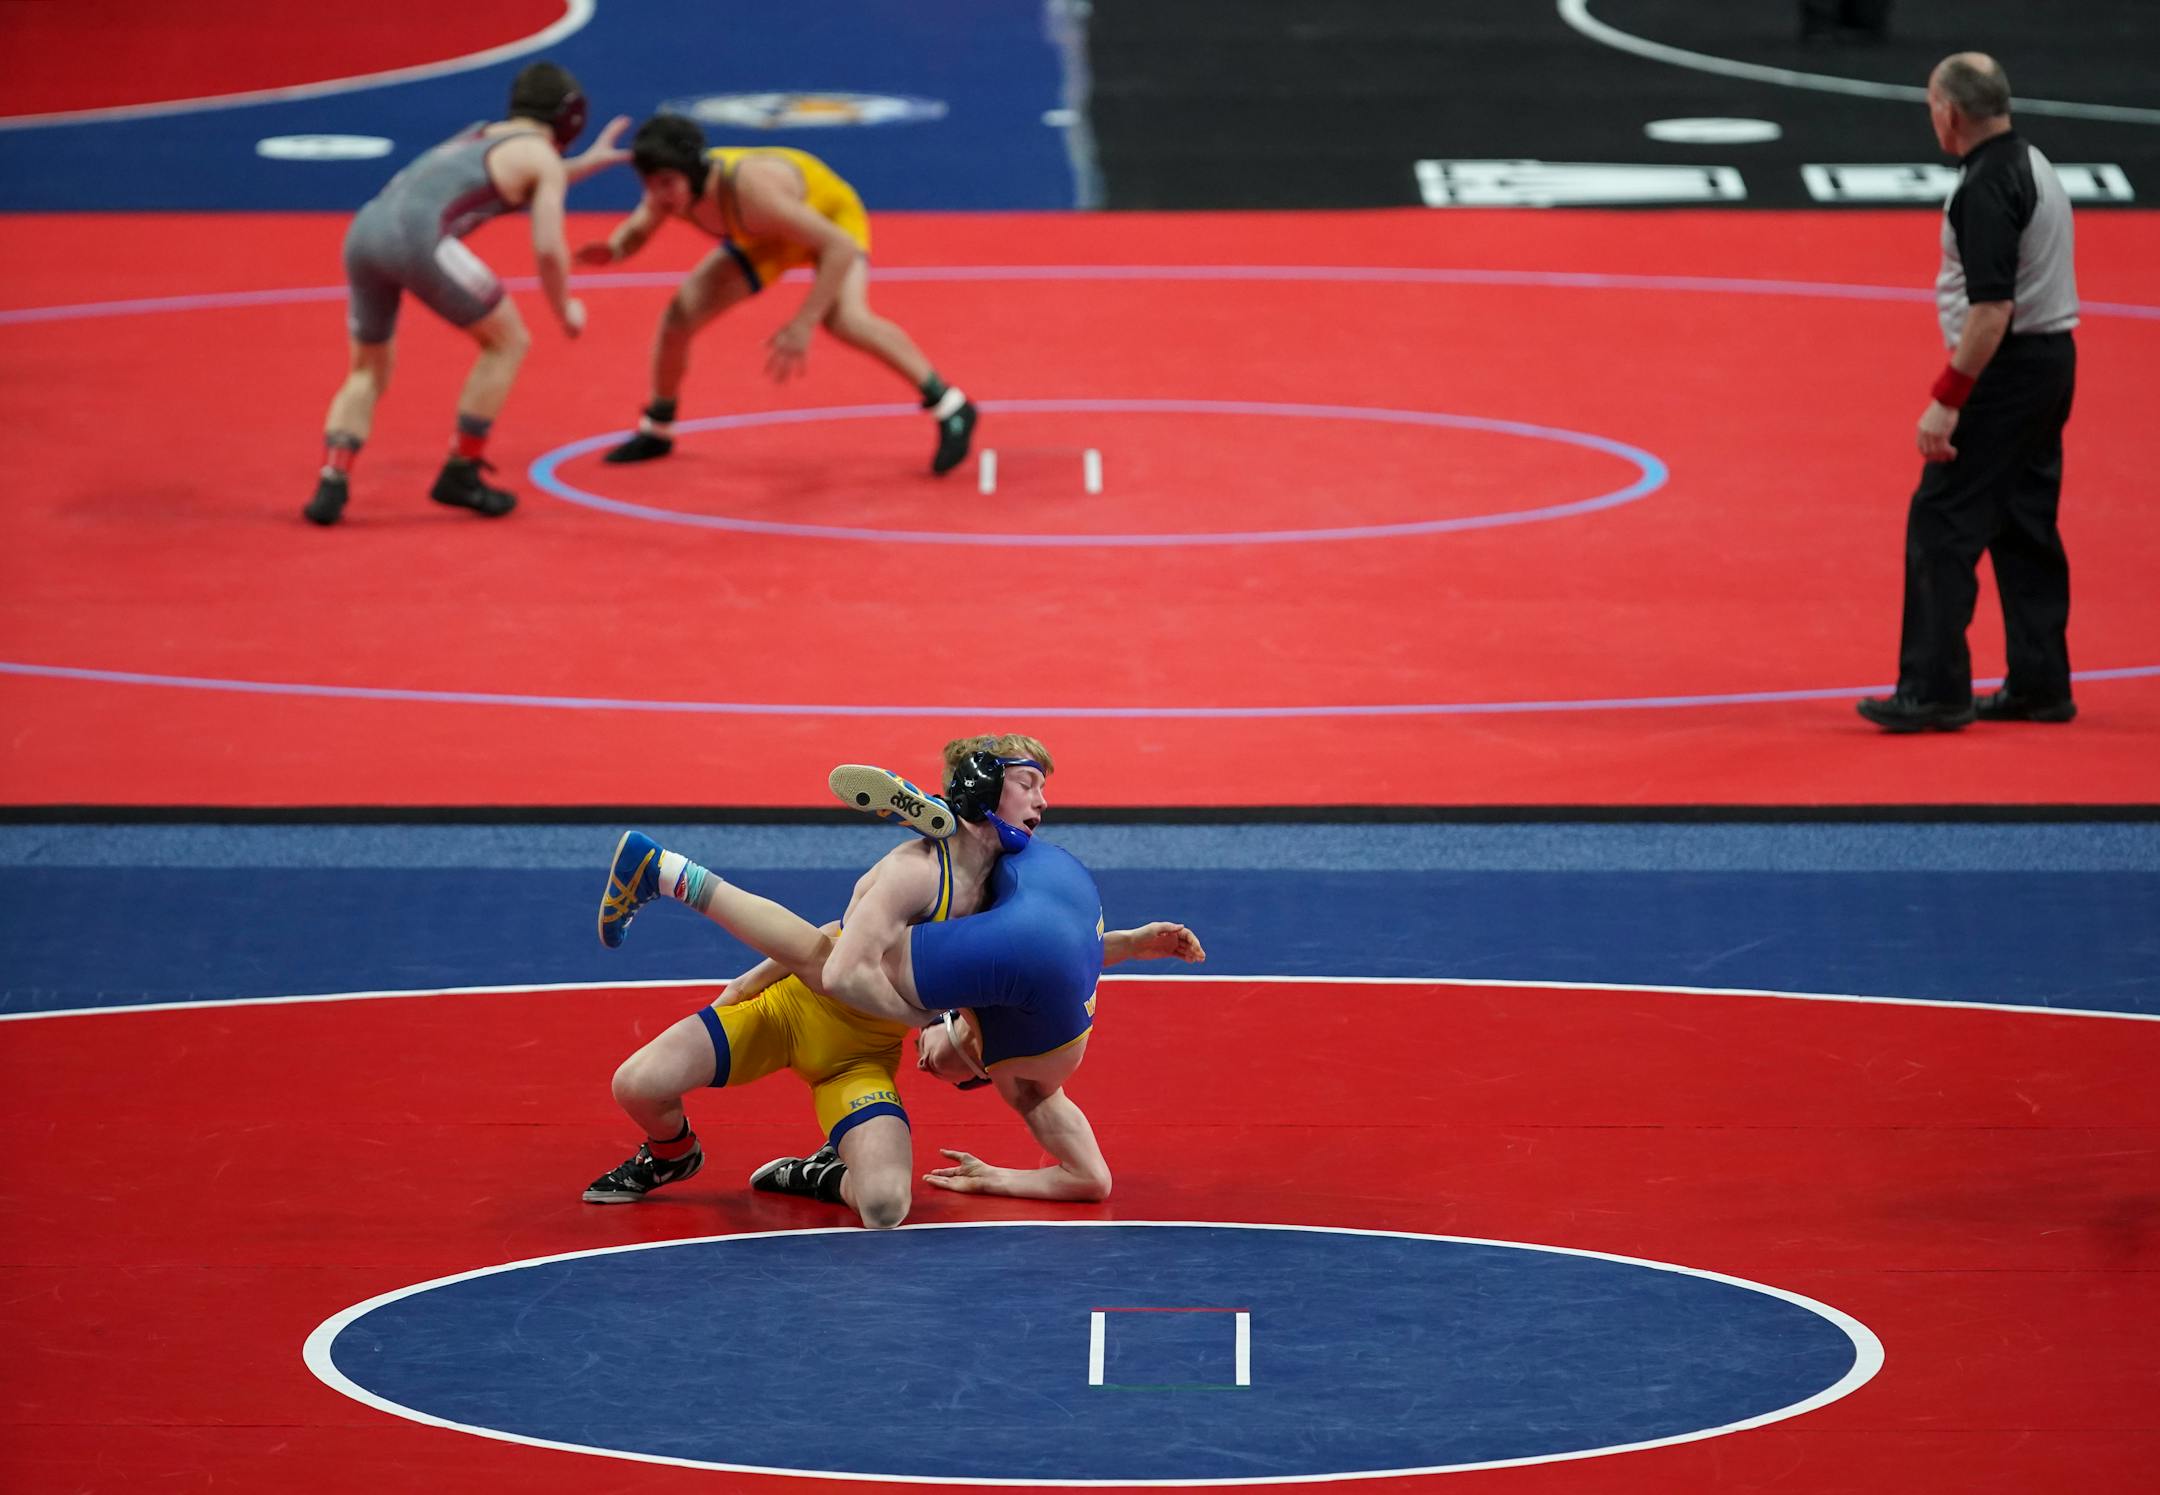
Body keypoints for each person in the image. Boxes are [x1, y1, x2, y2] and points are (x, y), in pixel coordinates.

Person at [583, 738, 1201, 1228]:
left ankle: (820, 1172)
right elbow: (837, 967)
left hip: (859, 1059)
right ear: (984, 784)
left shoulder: (1001, 886)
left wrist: (1127, 943)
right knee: (635, 1085)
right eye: (1028, 783)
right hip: (790, 1011)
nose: (1043, 802)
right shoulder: (913, 871)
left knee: (884, 1208)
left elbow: (1038, 957)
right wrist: (918, 1018)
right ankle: (672, 1153)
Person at [303, 61, 631, 526]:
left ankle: (332, 481)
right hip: (418, 240)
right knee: (508, 342)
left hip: (363, 234)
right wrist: (565, 308)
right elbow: (549, 250)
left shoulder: (478, 134)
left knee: (368, 369)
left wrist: (579, 168)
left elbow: (519, 178)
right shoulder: (541, 158)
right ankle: (461, 470)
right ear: (568, 119)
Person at [1858, 53, 2081, 733]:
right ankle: (2041, 681)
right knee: (2023, 522)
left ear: (1947, 112)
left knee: (1942, 521)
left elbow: (1991, 309)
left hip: (2007, 372)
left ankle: (1934, 687)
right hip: (2050, 363)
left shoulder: (1985, 187)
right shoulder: (2034, 163)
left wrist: (1947, 396)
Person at [574, 113, 978, 476]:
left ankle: (951, 405)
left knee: (845, 320)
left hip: (826, 219)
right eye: (650, 185)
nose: (659, 195)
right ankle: (658, 427)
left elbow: (837, 247)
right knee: (678, 318)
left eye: (666, 184)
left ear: (693, 172)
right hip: (766, 236)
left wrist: (802, 323)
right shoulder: (670, 188)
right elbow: (638, 230)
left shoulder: (751, 189)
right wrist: (614, 249)